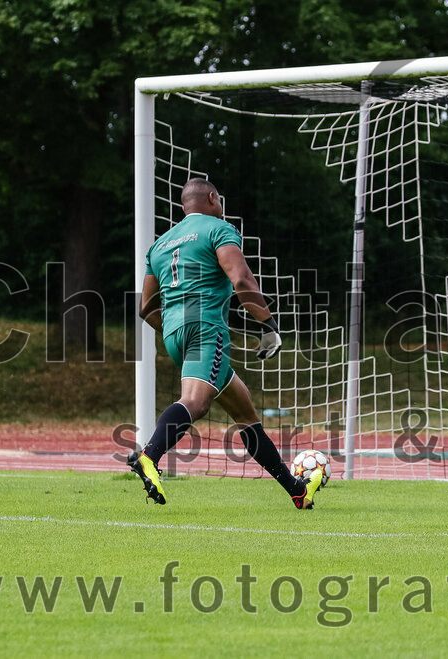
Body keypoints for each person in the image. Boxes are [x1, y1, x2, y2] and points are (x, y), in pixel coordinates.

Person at [130, 178, 322, 508]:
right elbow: (241, 279)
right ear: (212, 198)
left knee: (244, 411)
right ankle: (149, 455)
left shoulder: (159, 245)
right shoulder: (219, 229)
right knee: (196, 402)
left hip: (175, 334)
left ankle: (297, 491)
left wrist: (175, 328)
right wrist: (268, 325)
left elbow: (145, 307)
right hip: (206, 329)